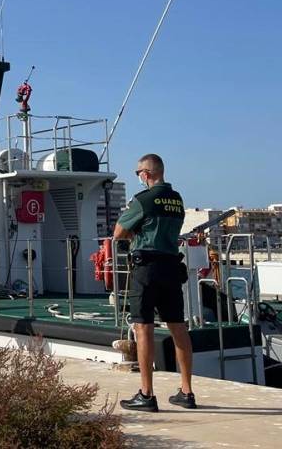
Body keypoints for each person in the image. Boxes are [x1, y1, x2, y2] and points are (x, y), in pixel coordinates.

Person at [115, 154, 195, 412]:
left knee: (143, 328)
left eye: (138, 172)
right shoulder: (177, 199)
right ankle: (186, 391)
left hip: (147, 268)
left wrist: (135, 231)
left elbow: (118, 233)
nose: (137, 176)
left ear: (146, 174)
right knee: (178, 327)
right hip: (172, 267)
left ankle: (147, 394)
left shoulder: (142, 200)